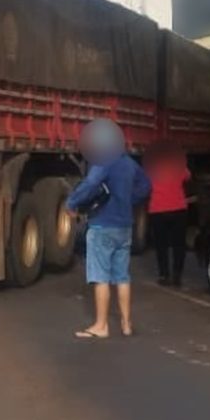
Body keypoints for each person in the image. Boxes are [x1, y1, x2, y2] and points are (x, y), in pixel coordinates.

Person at [67, 121, 151, 339]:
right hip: (125, 226)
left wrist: (72, 203)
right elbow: (145, 186)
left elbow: (90, 184)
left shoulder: (103, 162)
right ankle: (126, 324)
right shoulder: (129, 163)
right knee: (122, 276)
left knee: (101, 277)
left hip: (102, 225)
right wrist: (129, 200)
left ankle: (101, 325)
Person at [146, 142, 191, 287]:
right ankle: (177, 275)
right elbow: (188, 177)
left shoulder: (152, 169)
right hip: (178, 208)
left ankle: (164, 275)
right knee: (179, 244)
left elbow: (145, 184)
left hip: (158, 210)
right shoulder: (178, 166)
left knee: (161, 245)